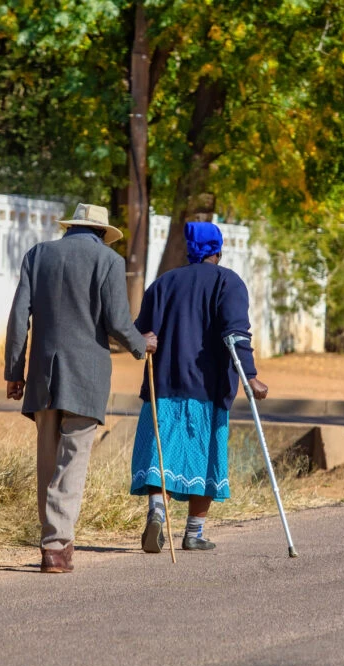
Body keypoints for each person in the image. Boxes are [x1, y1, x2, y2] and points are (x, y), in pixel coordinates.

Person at [5, 203, 157, 573]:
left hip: (43, 373)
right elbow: (118, 322)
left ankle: (55, 540)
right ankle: (56, 546)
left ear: (71, 227)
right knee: (72, 460)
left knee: (47, 461)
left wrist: (14, 370)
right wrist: (143, 344)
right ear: (103, 232)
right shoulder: (108, 260)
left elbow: (18, 316)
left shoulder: (39, 255)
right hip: (86, 376)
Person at [130, 221, 269, 553]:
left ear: (189, 250)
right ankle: (194, 532)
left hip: (163, 384)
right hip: (208, 388)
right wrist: (249, 376)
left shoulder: (163, 283)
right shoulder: (228, 282)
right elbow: (236, 336)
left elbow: (137, 333)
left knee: (160, 451)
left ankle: (157, 511)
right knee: (204, 456)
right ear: (218, 251)